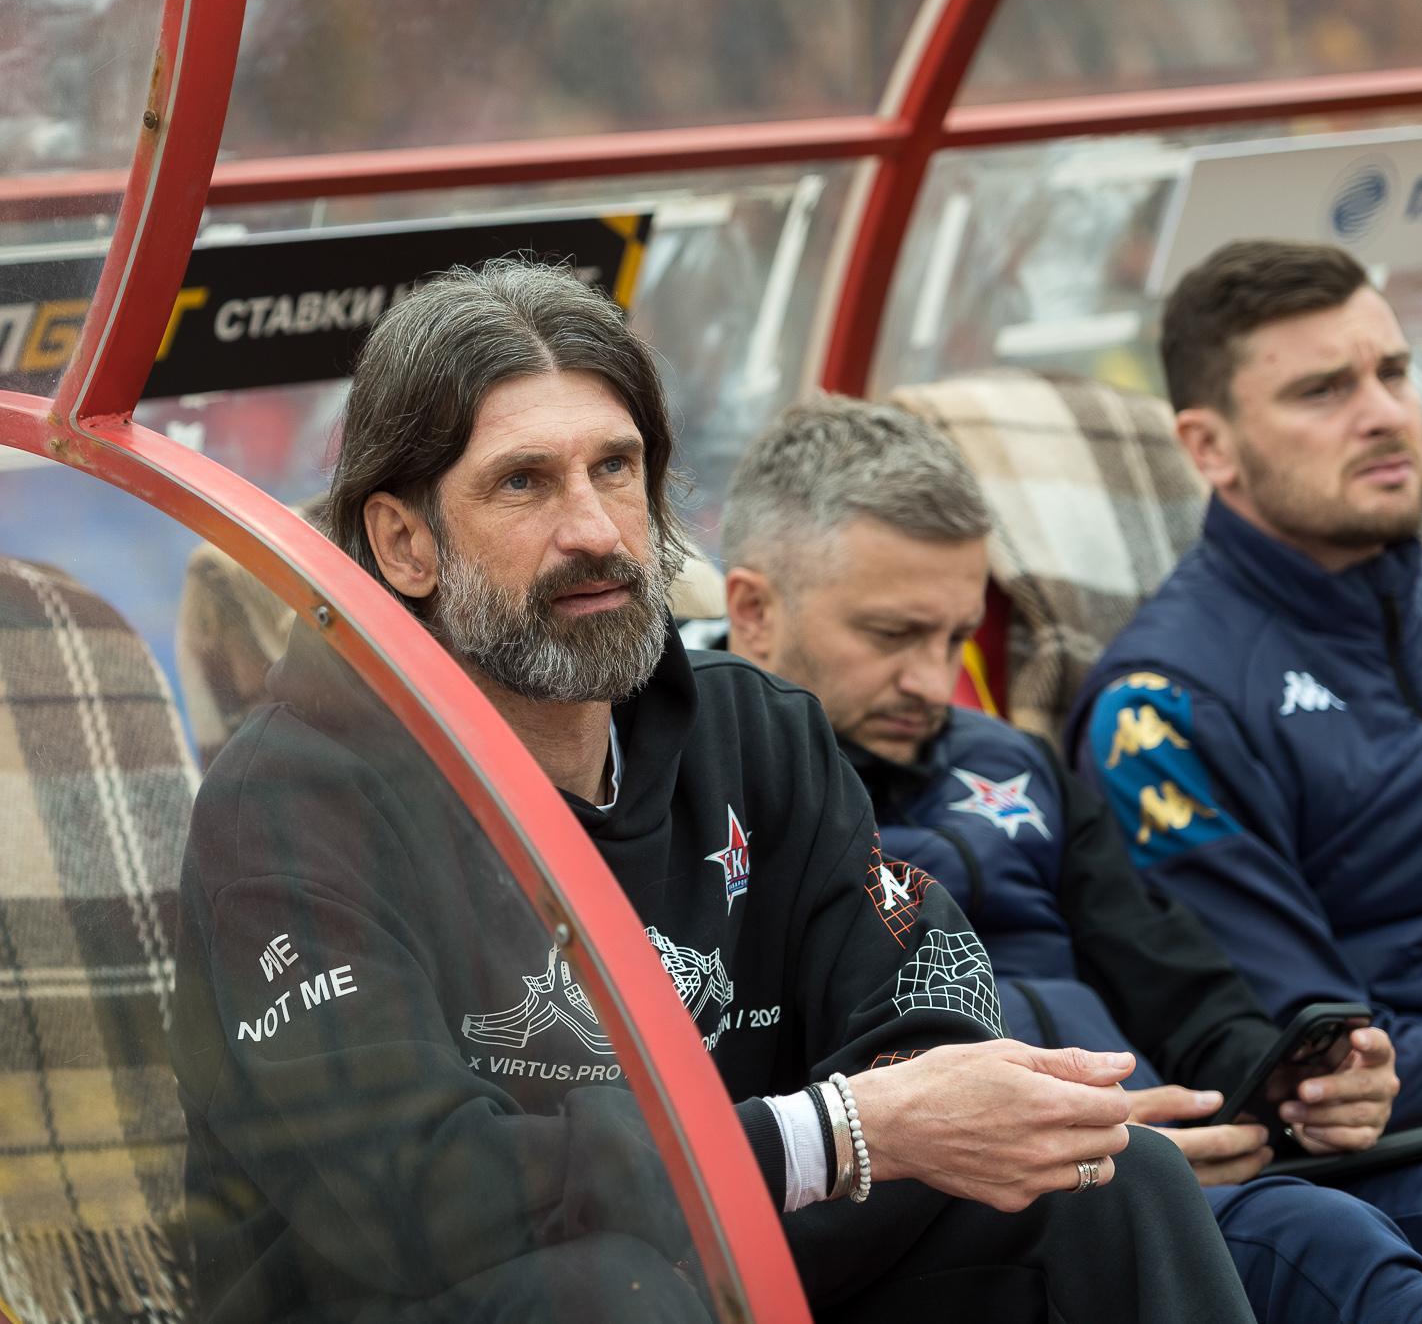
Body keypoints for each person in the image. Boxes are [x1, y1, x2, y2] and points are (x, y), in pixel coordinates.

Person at [169, 260, 1254, 1322]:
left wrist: (922, 1108)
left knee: (1113, 1181)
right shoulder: (289, 804)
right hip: (452, 1292)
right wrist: (827, 1134)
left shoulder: (752, 730)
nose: (596, 530)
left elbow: (918, 982)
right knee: (613, 1292)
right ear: (404, 542)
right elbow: (415, 1195)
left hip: (727, 1247)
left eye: (615, 467)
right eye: (524, 482)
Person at [717, 392, 1422, 1321]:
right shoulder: (716, 802)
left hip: (1180, 1166)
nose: (933, 681)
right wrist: (1107, 1149)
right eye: (892, 636)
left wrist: (1286, 1082)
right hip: (992, 1222)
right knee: (1324, 1250)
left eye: (956, 637)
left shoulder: (1012, 761)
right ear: (753, 609)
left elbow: (1173, 973)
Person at [1067, 240, 1422, 1133]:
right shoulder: (1159, 711)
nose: (1386, 415)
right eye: (1323, 391)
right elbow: (1314, 1059)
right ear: (1209, 446)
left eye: (1394, 373)